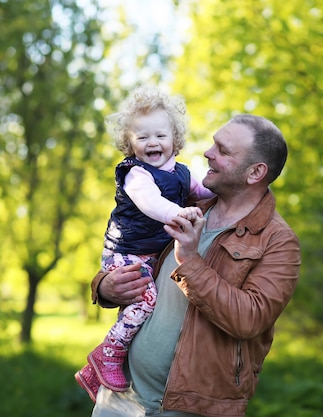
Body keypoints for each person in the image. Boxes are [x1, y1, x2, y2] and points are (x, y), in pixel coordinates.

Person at [88, 114, 301, 417]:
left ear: (255, 172)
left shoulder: (278, 241)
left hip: (191, 408)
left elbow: (249, 318)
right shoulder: (182, 208)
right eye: (213, 144)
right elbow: (134, 253)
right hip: (120, 398)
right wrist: (105, 287)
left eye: (223, 151)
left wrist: (189, 260)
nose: (207, 153)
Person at [75, 86, 215, 403]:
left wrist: (220, 192)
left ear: (175, 140)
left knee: (142, 303)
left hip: (146, 252)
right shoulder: (136, 174)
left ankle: (96, 375)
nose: (152, 143)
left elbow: (202, 191)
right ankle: (106, 354)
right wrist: (179, 212)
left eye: (160, 136)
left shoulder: (181, 173)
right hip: (124, 251)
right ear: (130, 143)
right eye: (142, 137)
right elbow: (151, 203)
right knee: (144, 301)